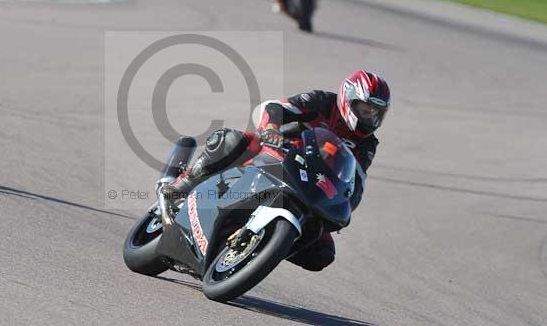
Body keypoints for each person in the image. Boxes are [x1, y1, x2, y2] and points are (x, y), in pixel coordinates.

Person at [163, 70, 391, 272]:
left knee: (323, 252)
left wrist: (343, 204)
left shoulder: (367, 144)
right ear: (348, 99)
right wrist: (271, 129)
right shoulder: (322, 101)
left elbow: (356, 182)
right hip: (277, 154)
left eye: (376, 113)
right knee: (234, 140)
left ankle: (258, 253)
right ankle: (179, 187)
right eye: (365, 109)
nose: (370, 117)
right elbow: (276, 107)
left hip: (310, 185)